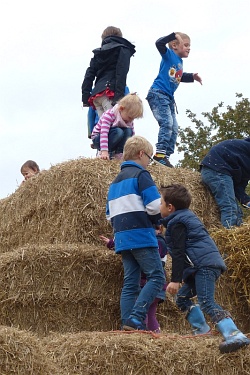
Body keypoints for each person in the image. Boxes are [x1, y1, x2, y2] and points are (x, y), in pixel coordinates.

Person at [160, 183, 250, 353]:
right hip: (201, 266)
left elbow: (179, 253)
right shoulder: (182, 218)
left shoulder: (177, 223)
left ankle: (234, 334)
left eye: (160, 203)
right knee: (182, 299)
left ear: (170, 207)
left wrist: (175, 280)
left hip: (204, 266)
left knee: (207, 301)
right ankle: (202, 331)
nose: (158, 206)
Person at [106, 135, 166, 330]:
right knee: (157, 277)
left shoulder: (114, 182)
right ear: (141, 154)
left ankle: (127, 324)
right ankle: (136, 317)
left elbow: (109, 214)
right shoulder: (141, 175)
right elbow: (154, 206)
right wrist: (158, 222)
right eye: (149, 157)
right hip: (141, 235)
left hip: (122, 238)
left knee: (130, 283)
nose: (149, 162)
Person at [146, 32, 202, 168]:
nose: (189, 48)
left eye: (190, 46)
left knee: (174, 128)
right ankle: (159, 155)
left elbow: (178, 76)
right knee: (167, 123)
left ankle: (165, 156)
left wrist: (191, 77)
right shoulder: (169, 55)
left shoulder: (179, 62)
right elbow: (158, 43)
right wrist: (173, 36)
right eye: (186, 45)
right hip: (158, 94)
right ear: (175, 45)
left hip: (169, 98)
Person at [100, 225, 168, 333]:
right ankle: (156, 335)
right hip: (153, 286)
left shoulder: (158, 242)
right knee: (150, 314)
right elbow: (129, 247)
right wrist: (111, 243)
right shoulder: (153, 241)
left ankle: (140, 333)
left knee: (140, 312)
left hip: (150, 286)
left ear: (159, 229)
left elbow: (145, 255)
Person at [81, 26, 136, 118]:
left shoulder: (98, 53)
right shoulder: (122, 50)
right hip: (110, 92)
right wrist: (119, 98)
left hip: (97, 96)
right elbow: (121, 73)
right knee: (114, 125)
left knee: (104, 126)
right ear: (119, 37)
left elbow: (89, 75)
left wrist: (85, 97)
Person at [200, 138, 250, 229]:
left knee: (238, 212)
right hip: (216, 170)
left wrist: (246, 200)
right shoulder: (245, 150)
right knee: (229, 208)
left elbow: (238, 186)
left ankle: (237, 238)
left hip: (217, 171)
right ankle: (229, 238)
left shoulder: (244, 157)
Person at [91, 93, 143, 160]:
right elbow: (104, 133)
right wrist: (104, 151)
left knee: (128, 131)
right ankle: (104, 152)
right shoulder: (109, 115)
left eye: (133, 118)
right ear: (121, 109)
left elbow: (132, 136)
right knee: (119, 131)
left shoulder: (129, 121)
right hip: (99, 139)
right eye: (130, 117)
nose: (131, 120)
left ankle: (119, 153)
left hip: (114, 138)